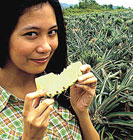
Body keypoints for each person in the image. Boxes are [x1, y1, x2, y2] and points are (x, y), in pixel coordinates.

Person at [0, 0, 100, 139]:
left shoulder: (59, 86)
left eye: (52, 32)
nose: (46, 47)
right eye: (31, 34)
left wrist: (81, 112)